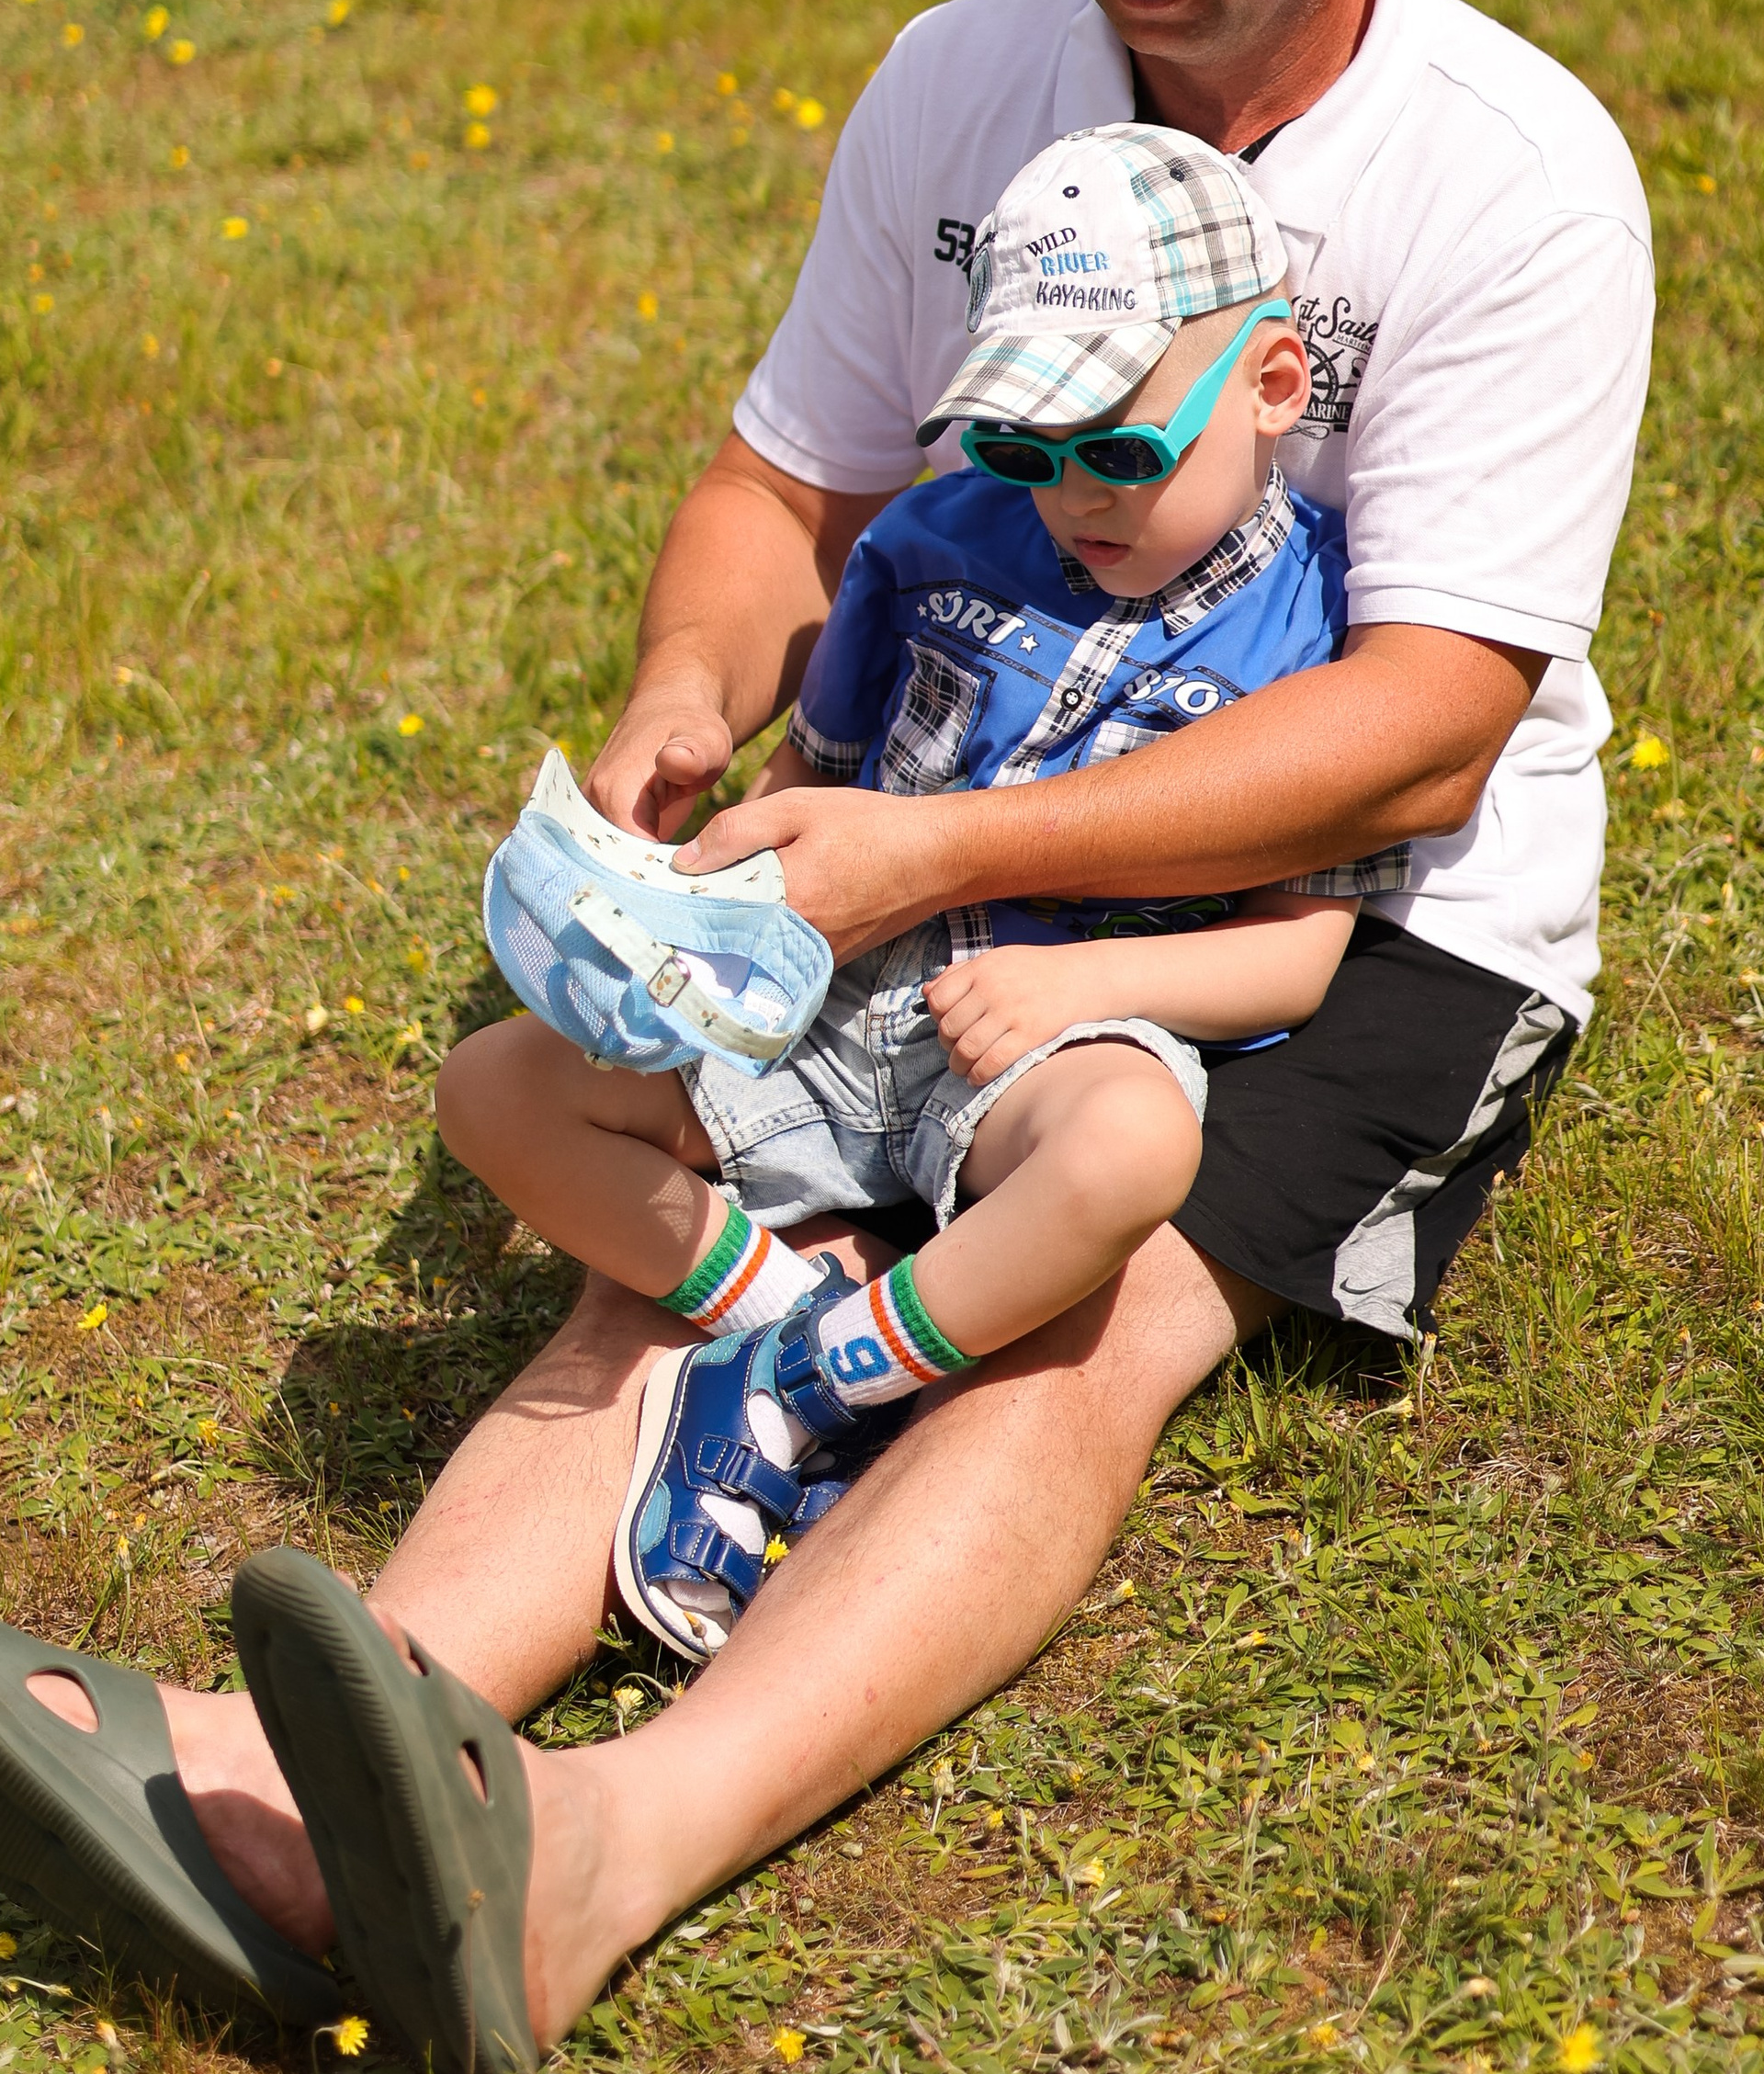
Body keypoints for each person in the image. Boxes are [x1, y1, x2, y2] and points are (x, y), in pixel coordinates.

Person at [0, 0, 1654, 2074]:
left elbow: (1421, 735)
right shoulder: (960, 82)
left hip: (1349, 923)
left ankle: (588, 1858)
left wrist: (911, 865)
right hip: (946, 820)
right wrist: (695, 693)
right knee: (697, 1242)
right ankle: (309, 1775)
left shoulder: (1515, 177)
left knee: (1076, 1319)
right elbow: (785, 478)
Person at [482, 123, 1363, 1666]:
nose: (1071, 499)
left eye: (1122, 450)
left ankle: (806, 1395)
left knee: (1131, 1149)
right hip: (829, 1010)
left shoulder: (1315, 627)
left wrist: (1089, 992)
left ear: (1275, 390)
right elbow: (802, 788)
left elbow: (1298, 961)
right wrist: (675, 905)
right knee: (496, 1091)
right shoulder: (932, 539)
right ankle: (781, 1327)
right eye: (1023, 449)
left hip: (1033, 1048)